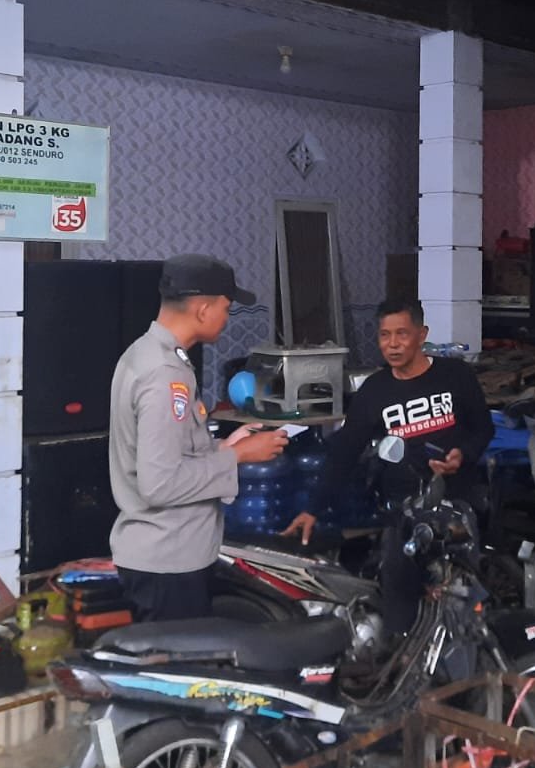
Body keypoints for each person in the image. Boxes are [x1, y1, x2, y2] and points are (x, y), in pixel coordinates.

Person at [280, 297, 493, 631]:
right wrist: (313, 508)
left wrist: (462, 455)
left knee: (460, 595)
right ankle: (403, 651)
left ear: (422, 334)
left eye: (402, 334)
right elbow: (345, 452)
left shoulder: (456, 376)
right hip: (403, 510)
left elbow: (483, 429)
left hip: (456, 501)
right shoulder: (374, 391)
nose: (392, 344)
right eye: (384, 335)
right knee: (399, 595)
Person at [109, 254, 287, 622]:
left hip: (164, 557)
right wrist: (238, 457)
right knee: (174, 657)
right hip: (168, 562)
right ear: (203, 309)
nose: (227, 317)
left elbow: (171, 451)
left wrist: (224, 446)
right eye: (226, 308)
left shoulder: (145, 354)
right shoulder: (165, 375)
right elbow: (160, 484)